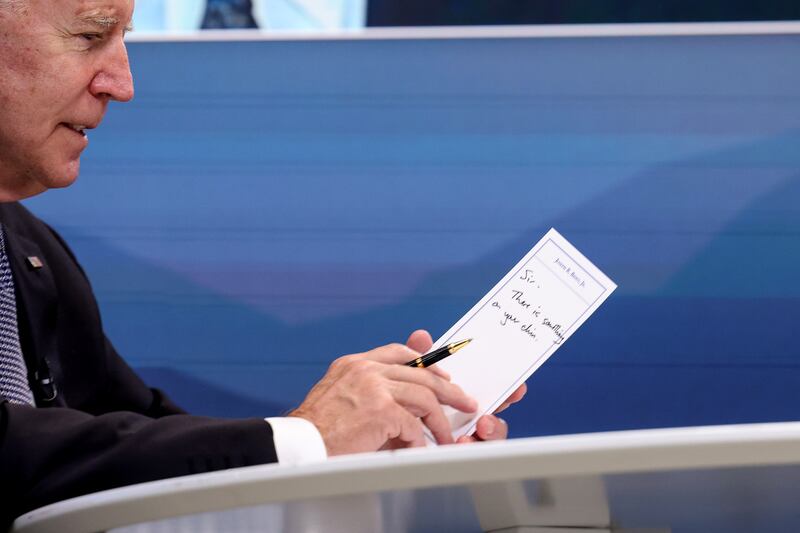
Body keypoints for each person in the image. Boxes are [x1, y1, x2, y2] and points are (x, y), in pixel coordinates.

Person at [0, 0, 526, 528]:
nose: (122, 84)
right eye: (91, 37)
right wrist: (310, 437)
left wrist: (361, 444)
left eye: (123, 39)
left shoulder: (31, 248)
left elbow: (136, 438)